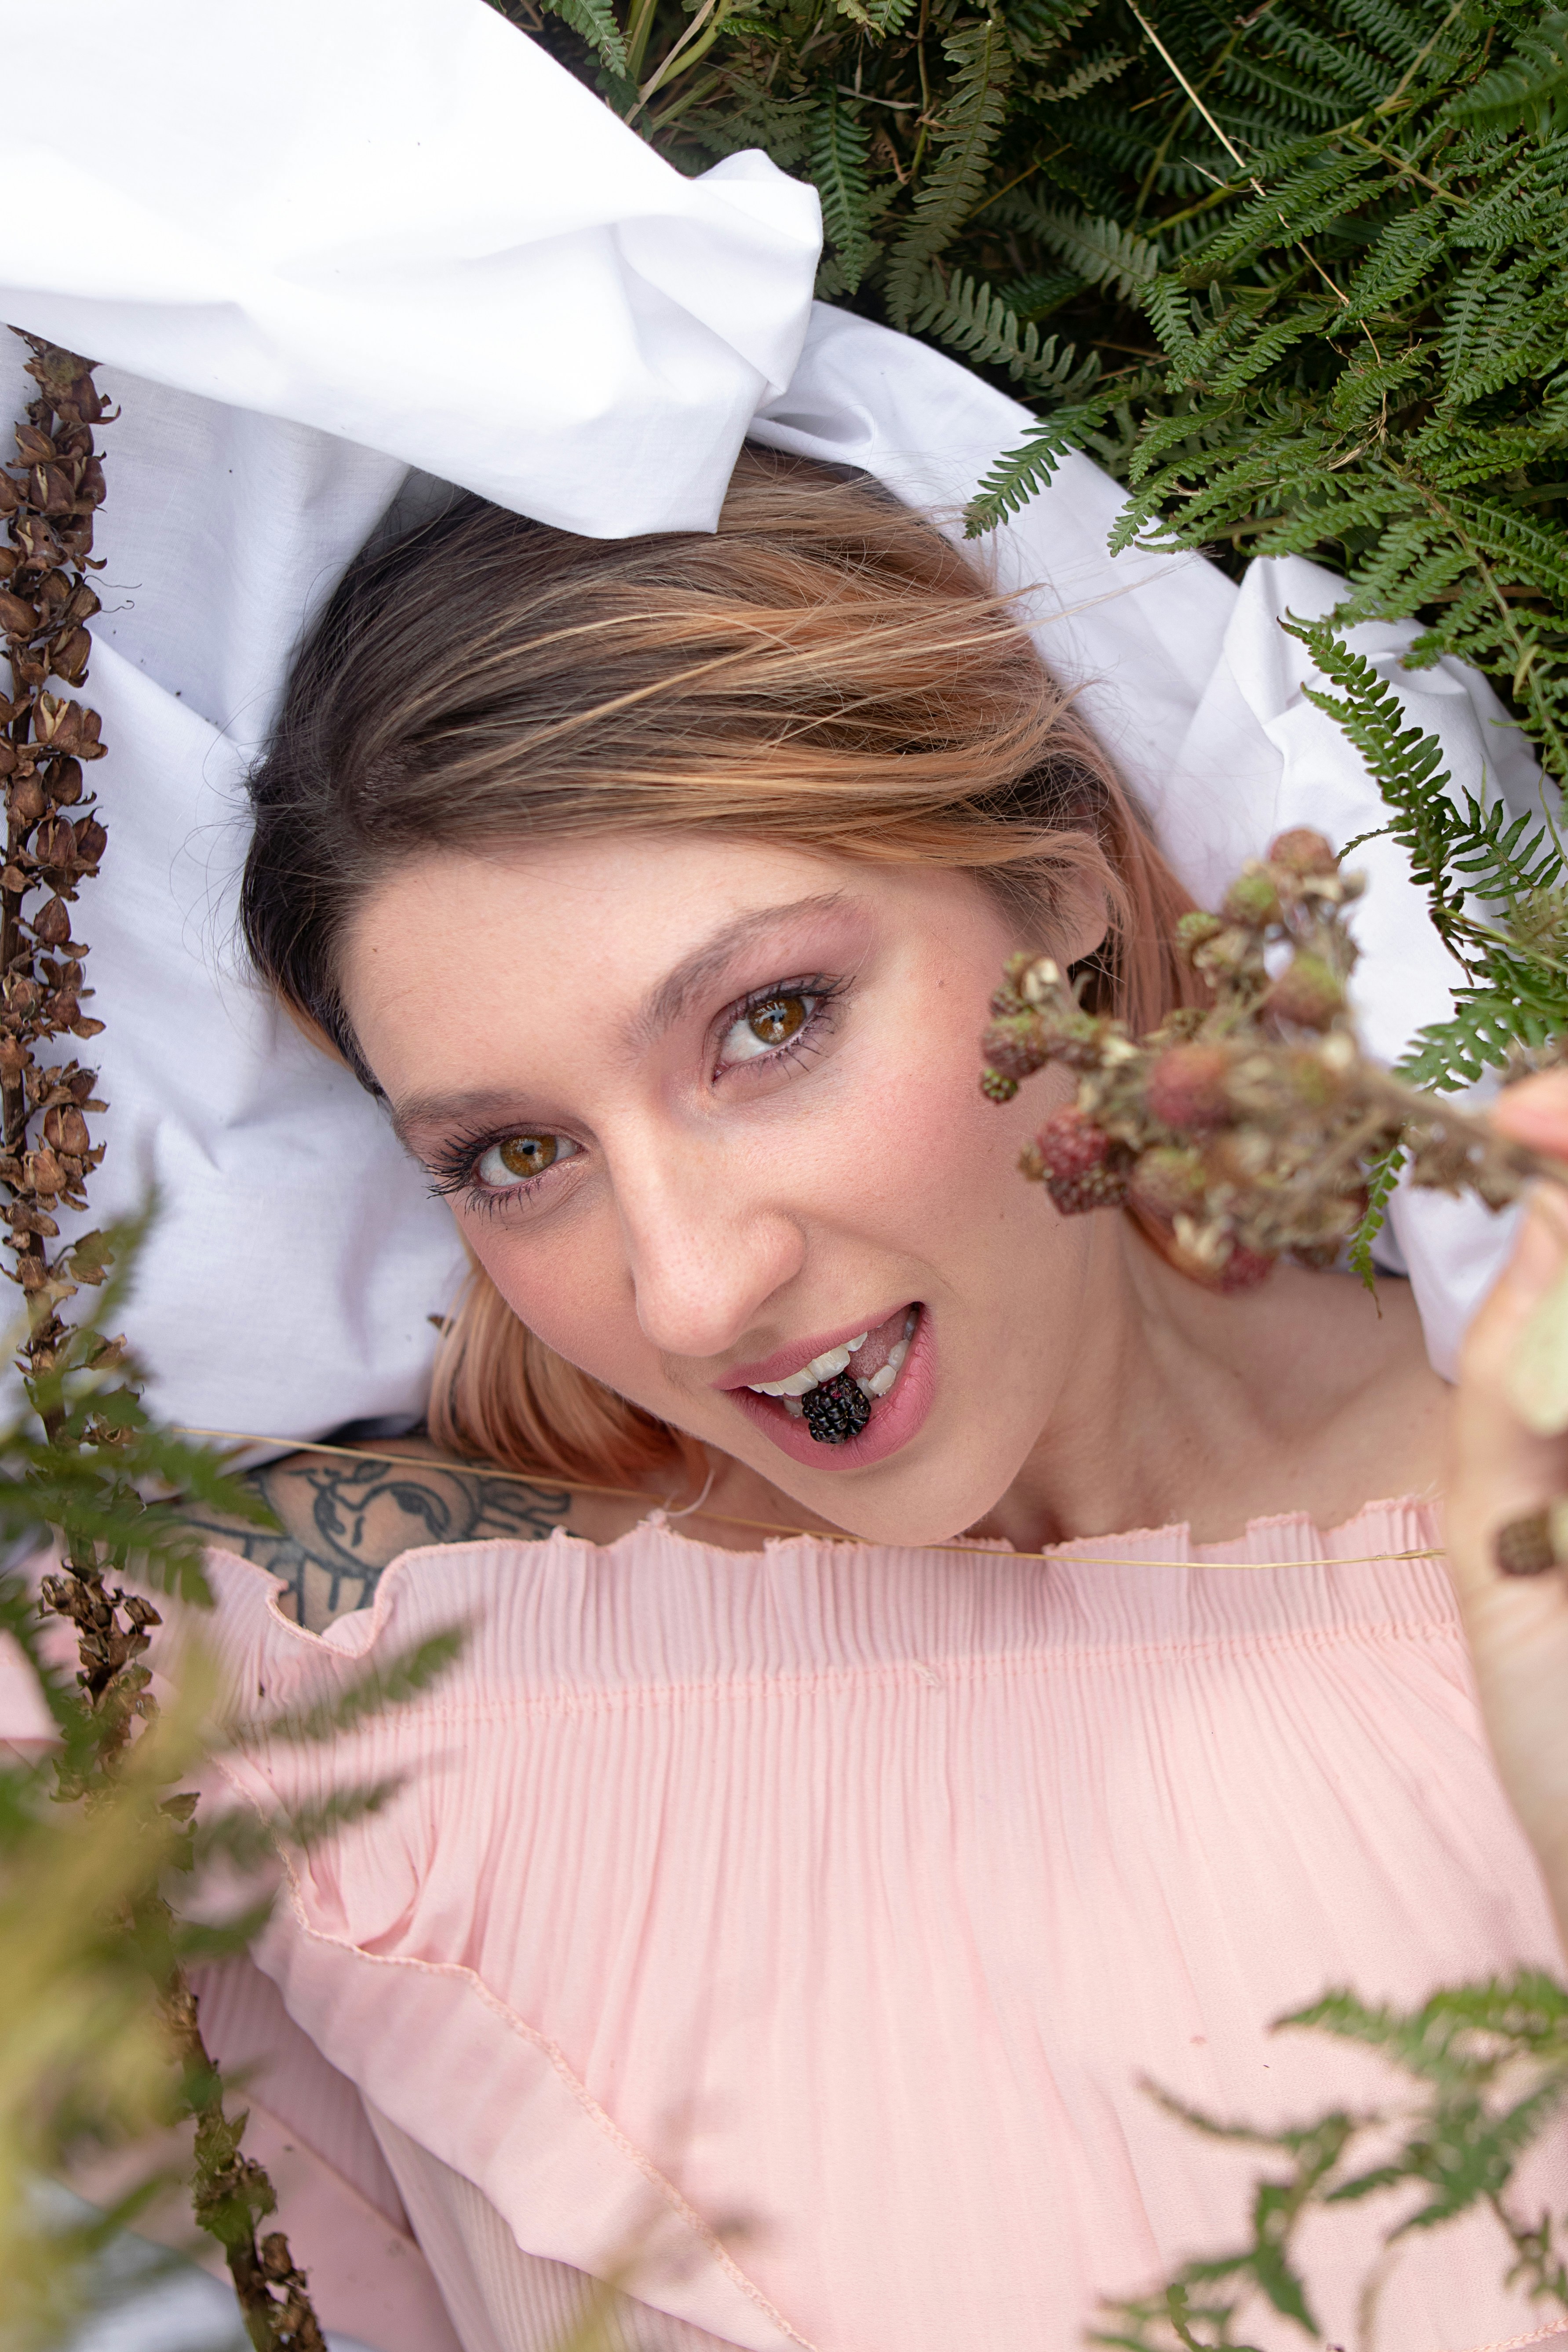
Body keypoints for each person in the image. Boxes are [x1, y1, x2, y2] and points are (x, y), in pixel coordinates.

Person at [176, 449, 1568, 2352]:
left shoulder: (1525, 1579)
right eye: (516, 1153)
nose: (690, 1286)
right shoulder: (347, 1718)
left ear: (1057, 895)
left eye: (768, 1021)